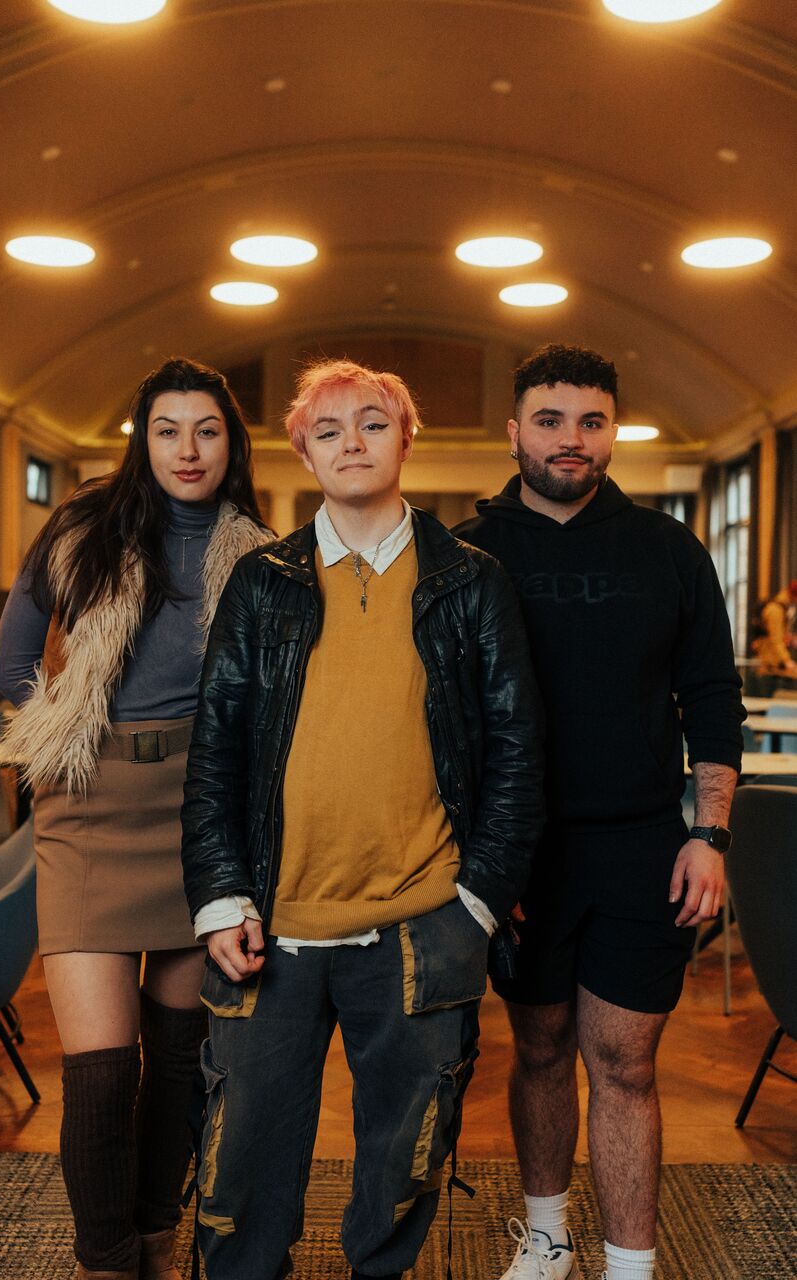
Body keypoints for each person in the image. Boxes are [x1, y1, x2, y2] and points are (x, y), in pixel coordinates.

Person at [180, 358, 544, 1280]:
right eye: (330, 429)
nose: (352, 442)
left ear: (405, 439)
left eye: (372, 423)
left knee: (401, 1160)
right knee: (244, 1166)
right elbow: (215, 752)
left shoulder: (471, 580)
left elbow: (514, 754)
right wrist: (221, 896)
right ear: (303, 450)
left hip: (421, 925)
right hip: (273, 926)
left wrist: (474, 904)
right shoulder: (261, 584)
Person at [454, 344, 744, 1280]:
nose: (569, 440)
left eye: (590, 420)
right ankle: (545, 1239)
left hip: (641, 848)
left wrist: (709, 834)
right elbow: (441, 712)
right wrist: (471, 853)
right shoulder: (469, 551)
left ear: (613, 431)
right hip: (519, 851)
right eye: (549, 419)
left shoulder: (668, 549)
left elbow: (710, 699)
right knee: (537, 1047)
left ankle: (630, 1265)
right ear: (514, 433)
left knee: (623, 1060)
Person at [0, 357, 273, 1280]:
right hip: (87, 805)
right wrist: (67, 722)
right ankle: (106, 1261)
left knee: (182, 1059)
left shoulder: (262, 551)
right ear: (140, 439)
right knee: (102, 1075)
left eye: (205, 430)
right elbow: (11, 665)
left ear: (230, 444)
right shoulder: (81, 526)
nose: (186, 450)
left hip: (202, 812)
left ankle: (157, 1233)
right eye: (166, 430)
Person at [752, 581, 797, 688]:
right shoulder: (775, 611)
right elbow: (775, 639)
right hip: (770, 665)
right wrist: (786, 660)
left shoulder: (780, 608)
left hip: (773, 662)